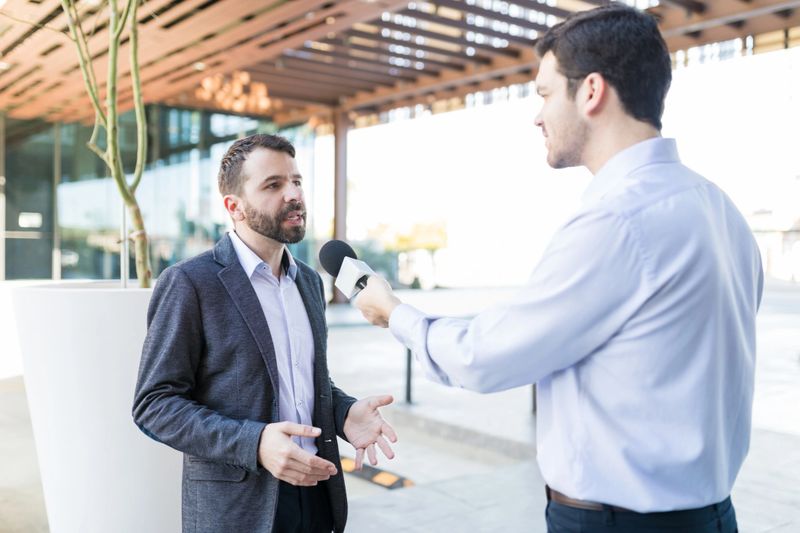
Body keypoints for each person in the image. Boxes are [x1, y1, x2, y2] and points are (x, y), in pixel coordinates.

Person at [354, 4, 762, 533]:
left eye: (545, 93)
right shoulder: (720, 209)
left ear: (591, 91)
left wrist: (393, 312)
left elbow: (486, 356)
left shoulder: (618, 219)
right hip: (711, 515)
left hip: (621, 523)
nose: (537, 114)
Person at [133, 133, 397, 533]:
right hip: (239, 507)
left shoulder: (308, 281)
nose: (293, 194)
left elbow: (301, 380)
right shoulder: (190, 282)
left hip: (317, 491)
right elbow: (155, 404)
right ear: (233, 206)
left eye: (296, 181)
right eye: (273, 185)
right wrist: (253, 443)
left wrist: (343, 413)